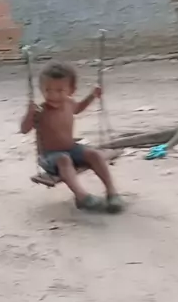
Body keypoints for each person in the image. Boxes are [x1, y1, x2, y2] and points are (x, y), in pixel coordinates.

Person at [20, 61, 123, 212]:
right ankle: (82, 197)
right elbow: (24, 130)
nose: (53, 95)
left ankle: (112, 192)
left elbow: (78, 108)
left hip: (71, 149)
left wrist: (92, 96)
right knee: (64, 159)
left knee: (94, 154)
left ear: (71, 90)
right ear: (41, 89)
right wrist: (29, 114)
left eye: (59, 90)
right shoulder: (40, 110)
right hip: (49, 157)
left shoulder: (69, 103)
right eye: (47, 90)